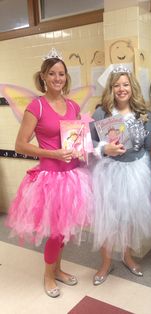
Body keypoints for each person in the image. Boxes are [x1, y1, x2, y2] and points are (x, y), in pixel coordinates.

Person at [6, 48, 93, 298]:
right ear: (43, 76)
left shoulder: (73, 105)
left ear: (66, 77)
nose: (58, 78)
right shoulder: (37, 106)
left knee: (64, 229)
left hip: (72, 176)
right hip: (50, 178)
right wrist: (53, 153)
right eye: (52, 73)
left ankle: (58, 269)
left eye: (62, 74)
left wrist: (82, 148)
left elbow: (75, 138)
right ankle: (48, 275)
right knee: (55, 231)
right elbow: (20, 144)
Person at [90, 64, 151, 285]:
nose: (121, 89)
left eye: (125, 84)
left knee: (128, 219)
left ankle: (127, 256)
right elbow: (88, 143)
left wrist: (150, 175)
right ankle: (106, 262)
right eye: (117, 85)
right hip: (109, 173)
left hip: (136, 173)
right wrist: (104, 149)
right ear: (111, 88)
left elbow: (149, 147)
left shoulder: (144, 114)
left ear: (132, 86)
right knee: (107, 218)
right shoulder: (101, 112)